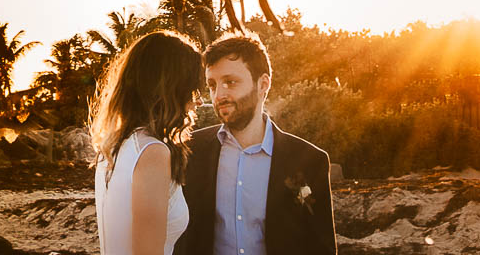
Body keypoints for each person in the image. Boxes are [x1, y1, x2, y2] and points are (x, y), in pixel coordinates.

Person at [174, 34, 334, 255]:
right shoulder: (189, 150)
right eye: (212, 85)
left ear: (263, 85)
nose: (218, 95)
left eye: (230, 82)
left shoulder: (309, 159)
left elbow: (321, 248)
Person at [91, 30, 206, 255]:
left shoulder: (114, 146)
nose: (199, 101)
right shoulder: (152, 152)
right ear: (170, 88)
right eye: (192, 89)